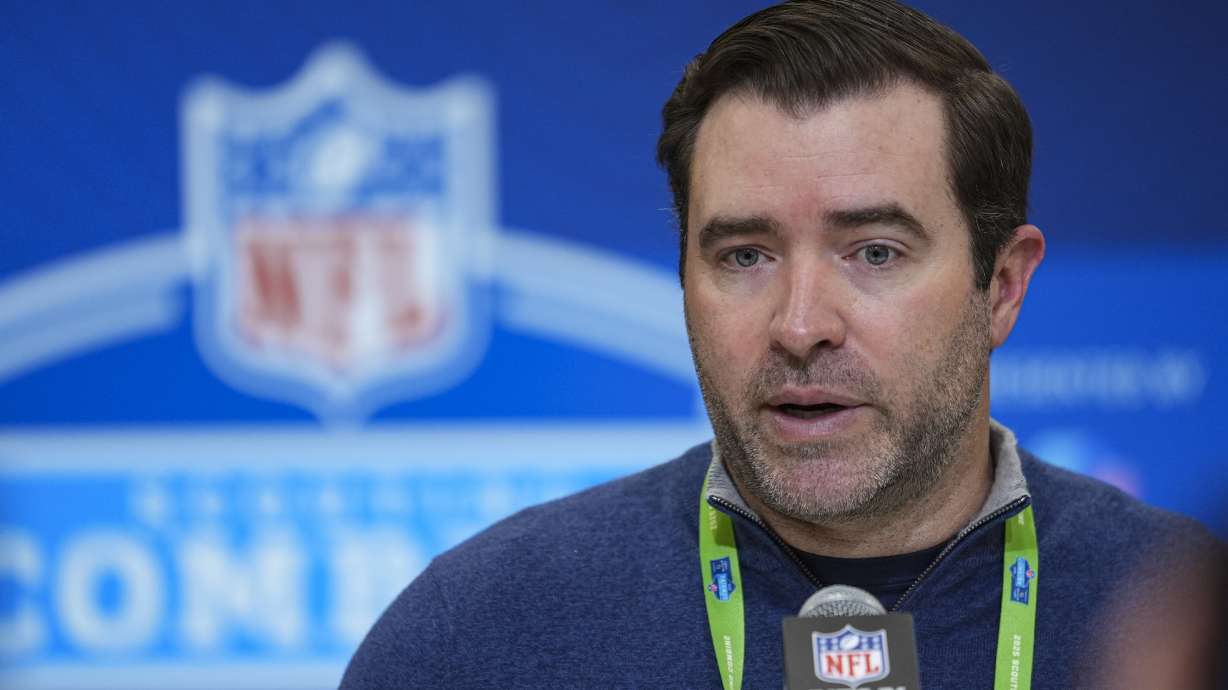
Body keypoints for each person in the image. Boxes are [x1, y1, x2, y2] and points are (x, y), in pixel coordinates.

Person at [342, 1, 1218, 687]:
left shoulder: (1183, 617)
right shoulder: (479, 635)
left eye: (875, 252)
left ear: (1003, 286)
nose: (800, 326)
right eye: (745, 255)